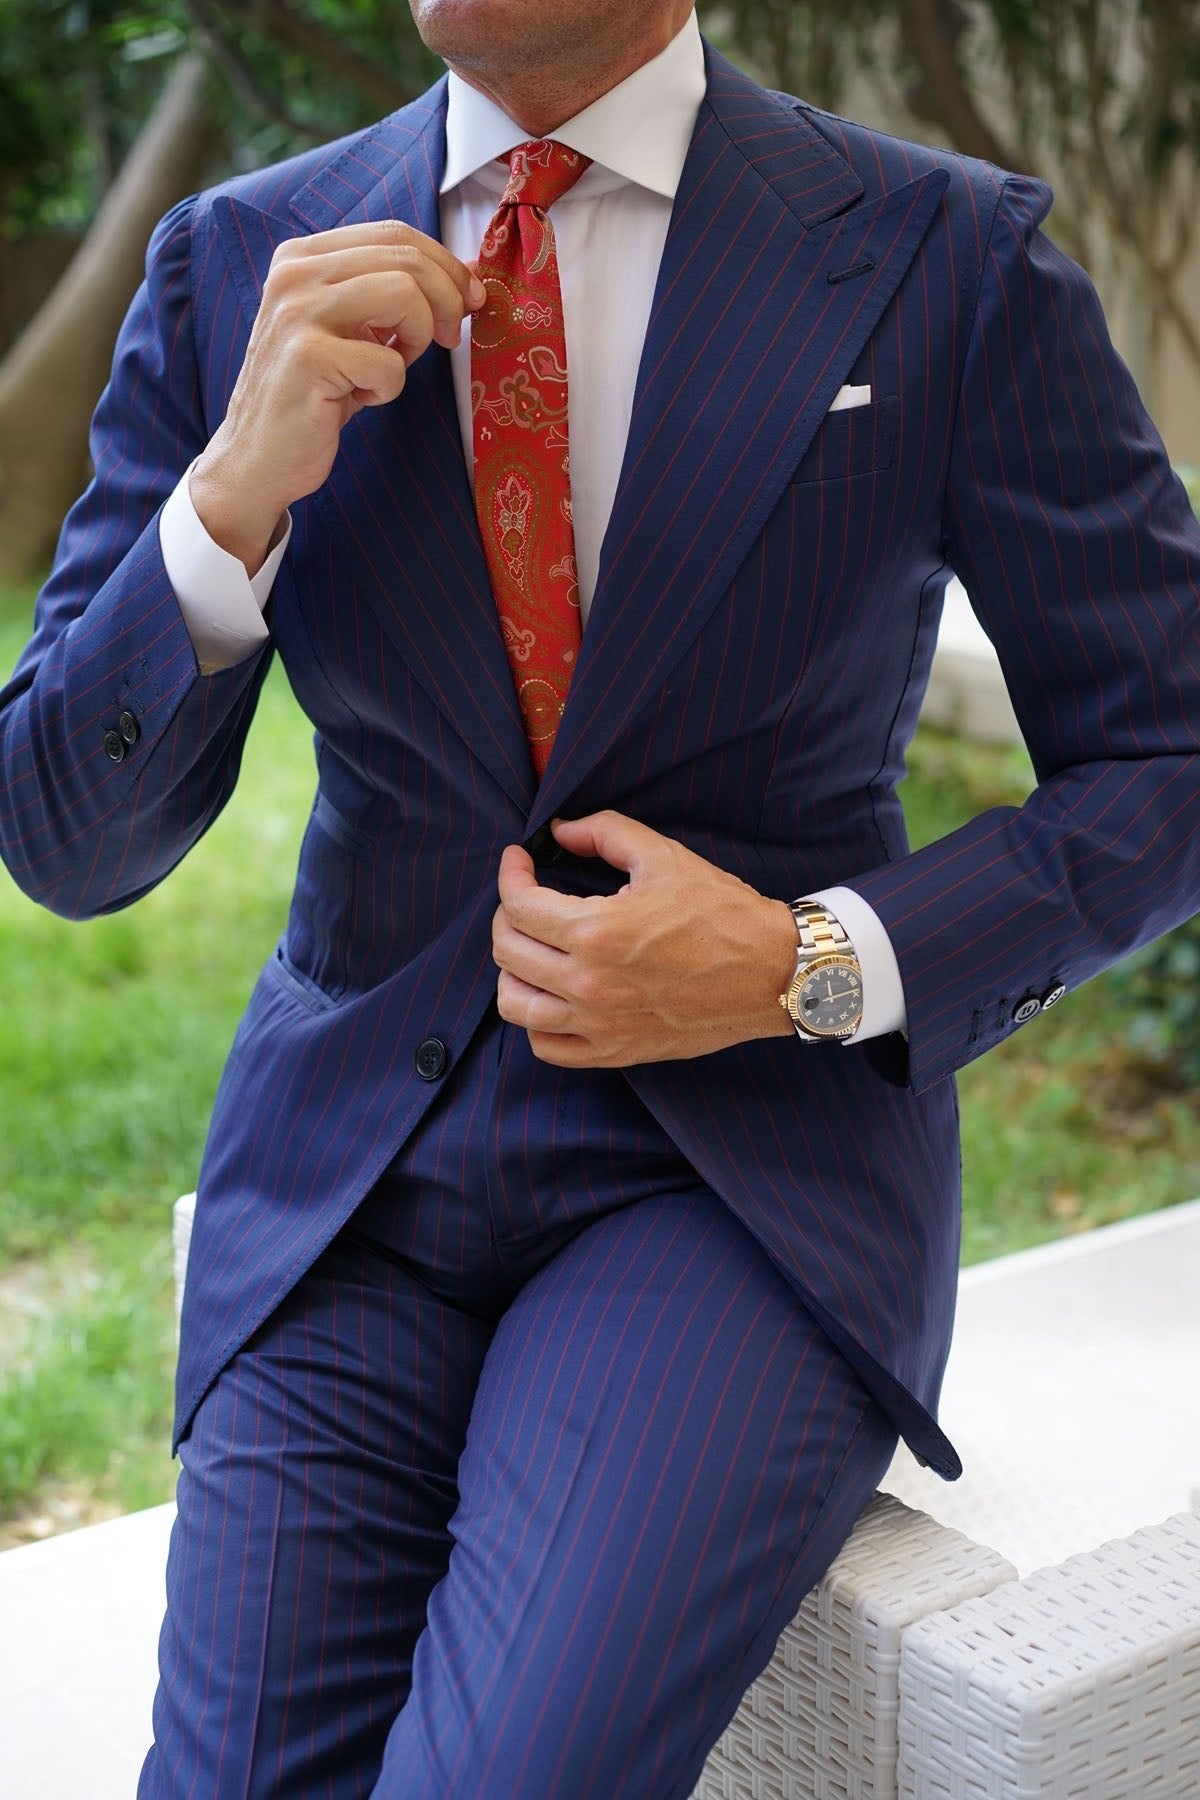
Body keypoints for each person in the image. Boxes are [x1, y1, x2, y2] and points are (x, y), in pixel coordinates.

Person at [2, 0, 1198, 1792]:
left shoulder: (945, 254)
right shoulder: (242, 260)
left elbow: (1167, 754)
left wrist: (812, 960)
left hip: (735, 1184)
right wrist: (230, 499)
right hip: (348, 1184)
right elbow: (65, 842)